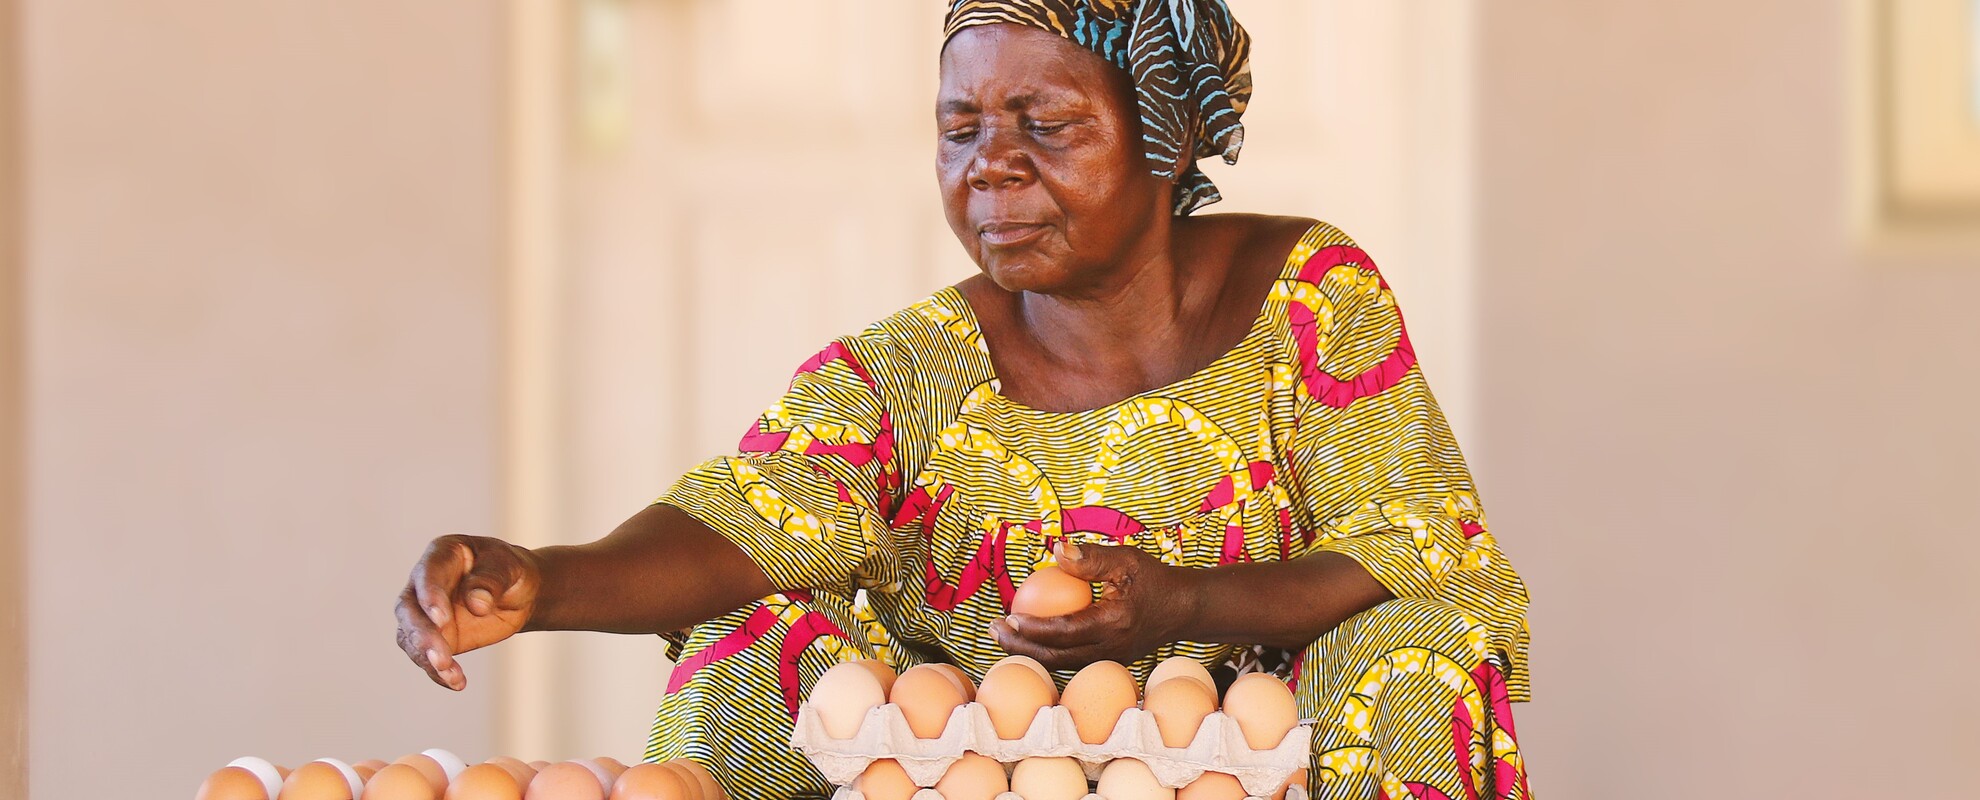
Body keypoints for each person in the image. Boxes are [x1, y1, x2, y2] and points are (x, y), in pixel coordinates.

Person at [394, 2, 1532, 798]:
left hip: (1259, 746)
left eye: (1047, 125)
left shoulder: (1305, 294)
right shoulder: (920, 366)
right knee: (753, 633)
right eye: (959, 130)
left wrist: (1180, 605)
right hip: (979, 758)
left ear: (1166, 136)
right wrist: (538, 578)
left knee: (1422, 641)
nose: (990, 165)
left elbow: (1416, 546)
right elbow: (741, 519)